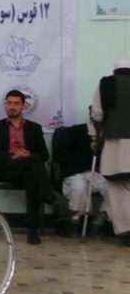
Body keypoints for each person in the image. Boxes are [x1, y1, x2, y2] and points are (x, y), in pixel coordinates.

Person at [0, 90, 70, 245]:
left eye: (17, 103)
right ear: (5, 106)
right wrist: (13, 155)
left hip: (28, 169)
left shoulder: (34, 128)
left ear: (24, 106)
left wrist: (27, 155)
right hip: (5, 169)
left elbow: (44, 155)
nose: (12, 107)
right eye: (9, 103)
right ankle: (50, 198)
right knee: (34, 162)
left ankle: (32, 229)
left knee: (31, 176)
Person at [89, 59, 130, 246]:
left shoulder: (106, 83)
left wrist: (96, 137)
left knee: (117, 187)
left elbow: (97, 114)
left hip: (115, 144)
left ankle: (126, 230)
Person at [55, 124, 110, 237]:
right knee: (78, 186)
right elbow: (62, 156)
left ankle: (98, 221)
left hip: (95, 173)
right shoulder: (77, 131)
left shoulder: (108, 135)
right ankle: (74, 220)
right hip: (75, 172)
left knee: (113, 188)